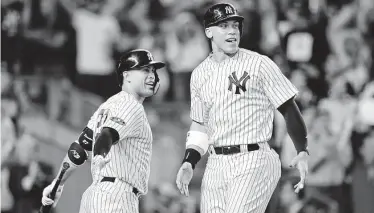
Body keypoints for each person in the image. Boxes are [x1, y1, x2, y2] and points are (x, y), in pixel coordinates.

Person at [175, 3, 310, 213]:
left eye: (235, 25)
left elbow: (288, 108)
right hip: (216, 162)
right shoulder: (199, 74)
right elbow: (200, 124)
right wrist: (189, 161)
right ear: (208, 31)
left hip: (253, 157)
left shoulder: (259, 64)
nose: (232, 31)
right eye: (224, 25)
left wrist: (302, 149)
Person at [41, 49, 165, 213]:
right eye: (145, 70)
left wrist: (57, 184)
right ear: (126, 75)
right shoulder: (131, 105)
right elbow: (107, 134)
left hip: (97, 196)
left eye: (153, 70)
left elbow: (78, 150)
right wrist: (100, 155)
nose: (152, 75)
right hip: (117, 198)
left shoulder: (108, 105)